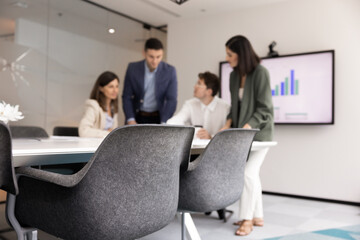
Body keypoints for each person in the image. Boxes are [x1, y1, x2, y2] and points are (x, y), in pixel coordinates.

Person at [220, 35, 274, 236]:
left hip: (261, 135)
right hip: (243, 134)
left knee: (247, 173)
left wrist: (245, 127)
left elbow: (265, 109)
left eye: (230, 54)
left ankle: (246, 219)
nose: (227, 58)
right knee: (253, 174)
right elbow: (235, 107)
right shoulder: (234, 76)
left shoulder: (260, 73)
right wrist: (227, 125)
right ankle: (258, 215)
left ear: (241, 55)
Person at [122, 38, 177, 124]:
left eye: (158, 57)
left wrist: (164, 122)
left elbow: (171, 100)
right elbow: (127, 96)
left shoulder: (170, 71)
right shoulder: (132, 68)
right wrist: (130, 119)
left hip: (159, 118)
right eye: (151, 57)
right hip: (137, 116)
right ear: (144, 53)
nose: (155, 61)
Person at [167, 71, 230, 139]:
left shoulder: (225, 107)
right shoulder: (190, 104)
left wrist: (211, 137)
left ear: (209, 92)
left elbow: (229, 135)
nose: (194, 86)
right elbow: (174, 121)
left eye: (199, 84)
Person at [79, 71, 119, 138]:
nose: (115, 90)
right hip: (93, 146)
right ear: (101, 88)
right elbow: (83, 131)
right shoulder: (93, 106)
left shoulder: (113, 107)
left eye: (117, 86)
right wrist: (107, 133)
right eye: (111, 87)